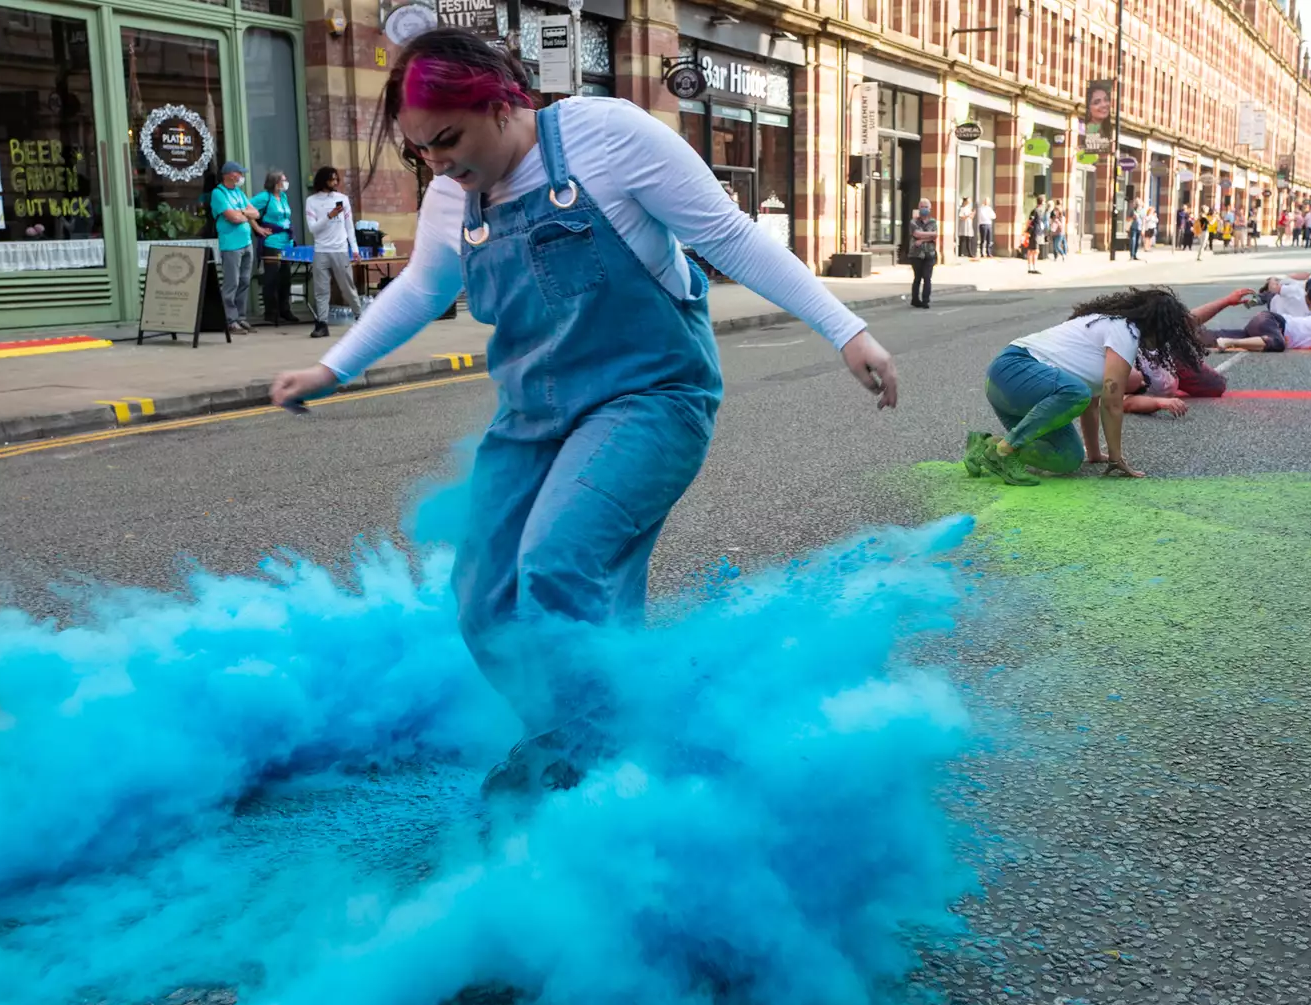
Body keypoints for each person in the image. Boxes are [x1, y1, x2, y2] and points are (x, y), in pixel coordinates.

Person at [268, 28, 899, 792]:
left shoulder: (607, 136)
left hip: (649, 398)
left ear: (502, 104)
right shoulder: (449, 199)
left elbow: (728, 237)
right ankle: (572, 729)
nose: (437, 162)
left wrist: (845, 329)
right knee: (484, 605)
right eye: (420, 150)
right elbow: (421, 291)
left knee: (558, 561)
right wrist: (332, 367)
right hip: (531, 418)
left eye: (448, 140)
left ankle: (596, 764)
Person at [963, 288, 1207, 484]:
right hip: (1012, 370)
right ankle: (1003, 453)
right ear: (1158, 326)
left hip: (1011, 390)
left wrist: (1094, 454)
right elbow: (1112, 401)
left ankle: (986, 445)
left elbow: (1093, 402)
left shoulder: (1110, 328)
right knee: (1077, 392)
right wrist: (1116, 458)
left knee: (1068, 458)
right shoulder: (1126, 331)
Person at [304, 166, 363, 338]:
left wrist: (355, 249)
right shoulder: (312, 201)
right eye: (332, 179)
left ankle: (360, 318)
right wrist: (329, 216)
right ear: (323, 181)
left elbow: (349, 226)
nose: (335, 182)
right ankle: (322, 323)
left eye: (337, 179)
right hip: (321, 250)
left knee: (347, 286)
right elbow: (312, 228)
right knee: (321, 290)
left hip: (340, 249)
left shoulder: (342, 199)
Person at [210, 161, 259, 333]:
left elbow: (256, 213)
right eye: (240, 173)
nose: (242, 177)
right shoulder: (219, 193)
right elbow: (233, 218)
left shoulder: (239, 192)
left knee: (244, 281)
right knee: (232, 282)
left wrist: (242, 212)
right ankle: (230, 320)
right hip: (231, 245)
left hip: (246, 242)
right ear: (231, 175)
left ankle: (241, 317)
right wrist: (242, 214)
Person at [250, 169, 300, 326]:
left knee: (285, 277)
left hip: (286, 242)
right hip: (272, 242)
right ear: (275, 182)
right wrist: (258, 228)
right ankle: (271, 312)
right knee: (271, 277)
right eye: (283, 180)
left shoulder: (283, 197)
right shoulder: (265, 197)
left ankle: (285, 309)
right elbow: (247, 210)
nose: (285, 182)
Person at [908, 198, 938, 307]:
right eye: (922, 207)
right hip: (916, 254)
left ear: (930, 209)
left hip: (930, 253)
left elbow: (935, 235)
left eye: (926, 207)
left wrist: (922, 240)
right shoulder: (913, 222)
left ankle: (926, 300)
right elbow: (916, 233)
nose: (924, 209)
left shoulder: (933, 222)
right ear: (918, 208)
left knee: (927, 277)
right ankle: (915, 300)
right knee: (917, 278)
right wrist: (929, 235)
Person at [1023, 201, 1042, 274]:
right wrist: (1025, 230)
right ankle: (1033, 267)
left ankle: (1031, 267)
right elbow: (1029, 221)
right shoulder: (1035, 211)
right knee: (1034, 250)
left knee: (1033, 250)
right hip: (1034, 232)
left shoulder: (1039, 211)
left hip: (1036, 232)